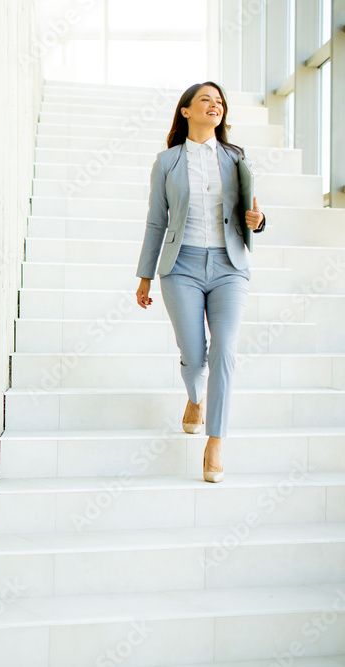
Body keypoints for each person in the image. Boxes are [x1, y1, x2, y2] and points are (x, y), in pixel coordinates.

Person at [135, 81, 266, 483]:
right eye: (206, 100)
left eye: (220, 101)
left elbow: (251, 211)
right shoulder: (168, 162)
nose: (216, 105)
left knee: (224, 351)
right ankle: (195, 397)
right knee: (194, 355)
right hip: (182, 267)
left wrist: (258, 223)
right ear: (186, 111)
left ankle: (216, 440)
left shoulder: (235, 157)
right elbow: (157, 220)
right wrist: (144, 277)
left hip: (230, 267)